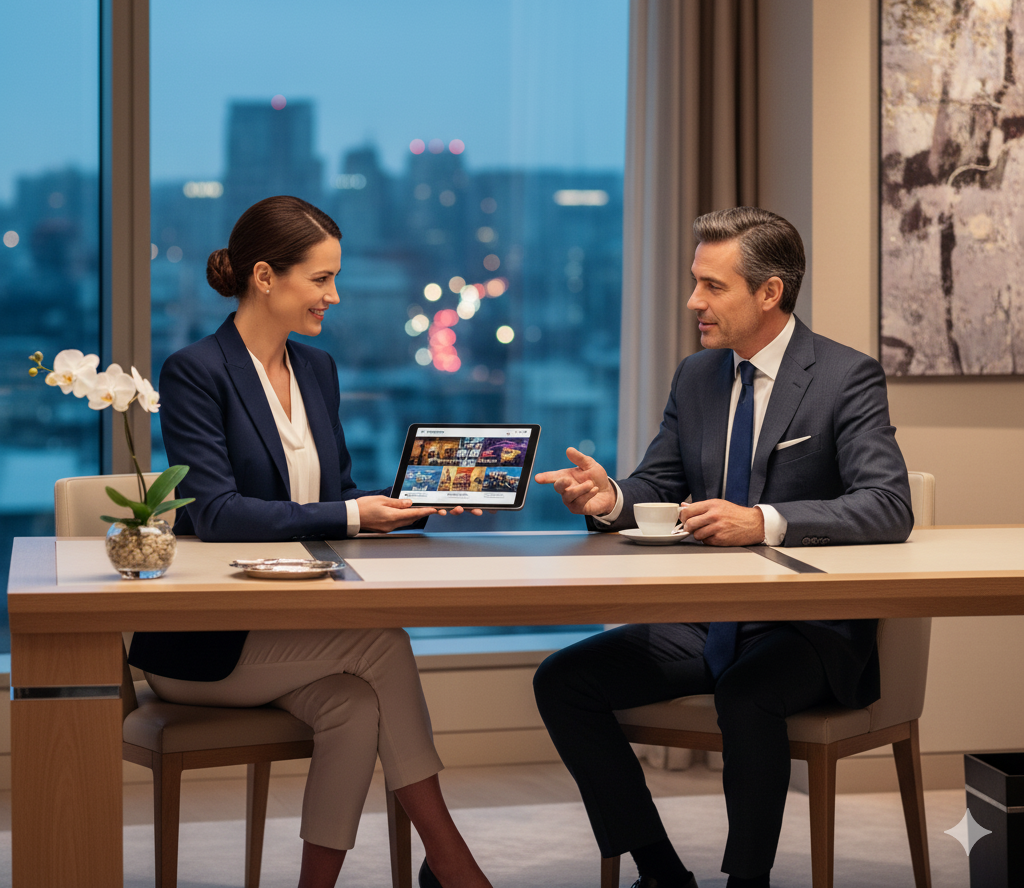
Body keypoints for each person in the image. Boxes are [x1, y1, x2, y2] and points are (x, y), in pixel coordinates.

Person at [531, 207, 913, 888]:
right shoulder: (697, 377)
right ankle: (659, 870)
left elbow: (887, 505)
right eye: (693, 282)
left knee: (746, 694)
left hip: (805, 626)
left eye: (712, 286)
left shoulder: (844, 377)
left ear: (769, 292)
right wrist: (610, 498)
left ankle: (747, 880)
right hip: (707, 617)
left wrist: (761, 520)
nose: (693, 302)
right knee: (563, 681)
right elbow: (659, 482)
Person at [129, 196, 490, 888]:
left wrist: (404, 507)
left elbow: (336, 498)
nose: (335, 295)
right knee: (382, 643)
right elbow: (217, 514)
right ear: (265, 276)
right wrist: (353, 516)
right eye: (321, 279)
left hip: (292, 630)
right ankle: (452, 862)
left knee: (354, 709)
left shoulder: (317, 371)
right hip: (204, 640)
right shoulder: (196, 371)